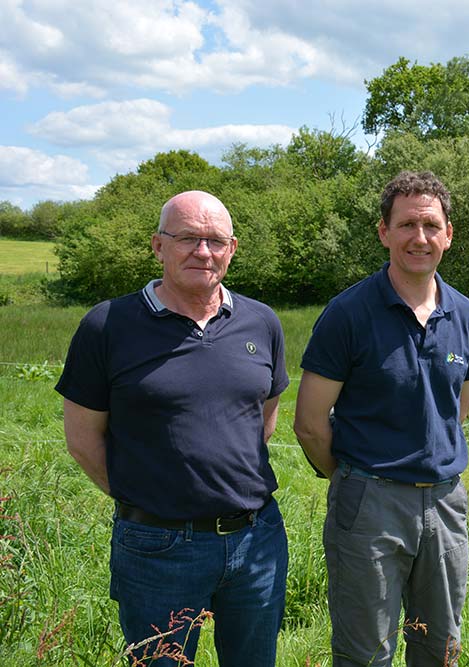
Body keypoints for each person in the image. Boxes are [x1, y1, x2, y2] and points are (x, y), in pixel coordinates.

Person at [56, 191, 290, 666]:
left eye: (214, 241)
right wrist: (149, 499)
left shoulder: (260, 322)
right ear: (158, 246)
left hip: (255, 539)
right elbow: (82, 440)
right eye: (187, 238)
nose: (202, 252)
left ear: (232, 249)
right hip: (157, 546)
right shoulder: (108, 325)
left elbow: (263, 418)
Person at [293, 170, 469, 667]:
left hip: (445, 505)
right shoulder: (349, 314)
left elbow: (456, 410)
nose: (418, 238)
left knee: (439, 648)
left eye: (429, 225)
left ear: (448, 234)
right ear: (384, 232)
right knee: (366, 653)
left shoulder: (468, 317)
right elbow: (311, 423)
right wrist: (356, 478)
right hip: (369, 504)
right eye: (405, 225)